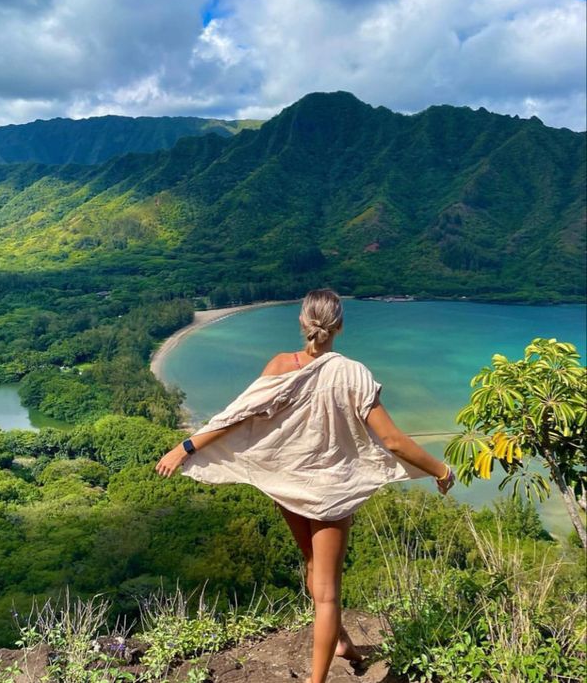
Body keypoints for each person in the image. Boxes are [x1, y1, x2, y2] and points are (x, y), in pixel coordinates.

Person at [155, 288, 455, 683]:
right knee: (328, 592)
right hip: (331, 495)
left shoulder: (281, 364)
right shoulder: (354, 373)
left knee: (313, 566)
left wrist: (186, 446)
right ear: (340, 325)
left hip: (290, 487)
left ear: (302, 322)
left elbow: (236, 416)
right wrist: (440, 469)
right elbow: (394, 441)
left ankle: (343, 643)